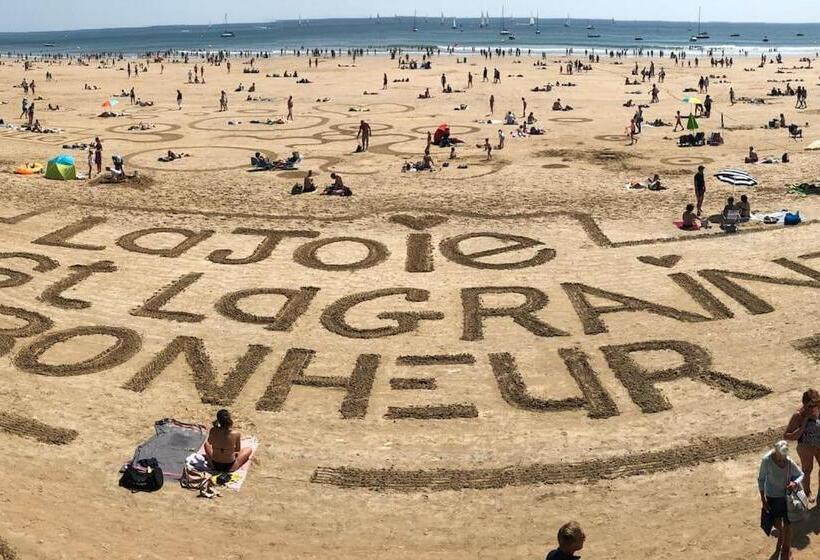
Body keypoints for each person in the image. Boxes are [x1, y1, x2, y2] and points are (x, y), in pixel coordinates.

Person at [759, 441, 804, 560]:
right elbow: (761, 479)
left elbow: (801, 475)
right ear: (774, 452)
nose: (782, 462)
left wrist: (794, 483)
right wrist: (763, 499)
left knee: (788, 523)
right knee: (777, 524)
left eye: (784, 459)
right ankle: (781, 539)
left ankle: (786, 549)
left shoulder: (788, 461)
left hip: (786, 497)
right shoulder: (766, 461)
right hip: (772, 497)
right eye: (779, 460)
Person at [784, 389, 820, 504]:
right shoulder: (798, 415)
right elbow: (787, 435)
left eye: (816, 404)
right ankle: (807, 492)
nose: (813, 408)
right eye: (810, 406)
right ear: (804, 404)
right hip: (806, 445)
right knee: (807, 470)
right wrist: (804, 422)